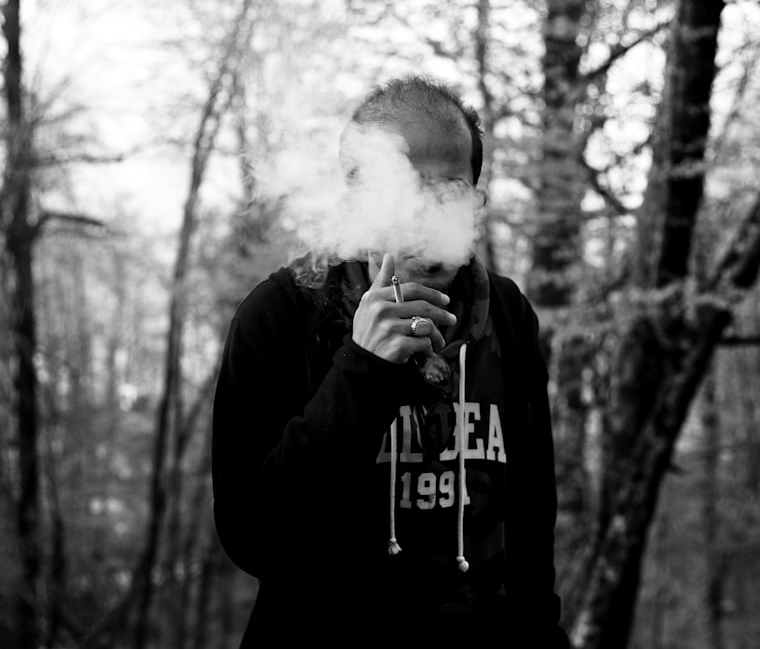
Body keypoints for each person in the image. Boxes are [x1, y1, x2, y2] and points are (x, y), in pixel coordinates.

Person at [212, 75, 572, 648]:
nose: (423, 223)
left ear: (474, 202)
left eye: (447, 194)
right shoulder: (280, 315)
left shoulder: (507, 314)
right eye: (401, 196)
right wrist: (363, 371)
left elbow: (531, 526)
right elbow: (254, 538)